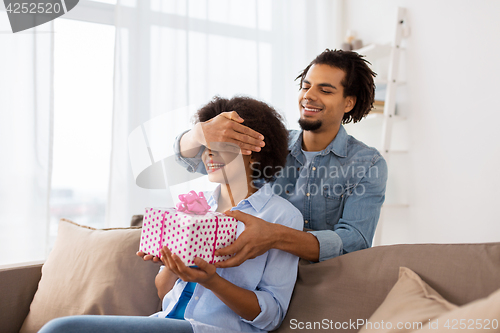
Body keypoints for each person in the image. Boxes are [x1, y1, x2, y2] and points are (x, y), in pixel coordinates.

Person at [39, 96, 303, 333]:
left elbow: (271, 317)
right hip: (166, 320)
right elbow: (164, 290)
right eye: (205, 144)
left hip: (215, 329)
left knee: (61, 329)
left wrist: (212, 281)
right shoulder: (194, 208)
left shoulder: (280, 217)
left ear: (254, 153)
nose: (208, 153)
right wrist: (171, 263)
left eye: (221, 144)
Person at [173, 49, 388, 267]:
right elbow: (196, 161)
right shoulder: (268, 142)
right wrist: (198, 134)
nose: (309, 95)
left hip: (323, 279)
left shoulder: (367, 164)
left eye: (325, 90)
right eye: (305, 86)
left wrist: (275, 236)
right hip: (259, 271)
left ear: (348, 103)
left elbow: (355, 242)